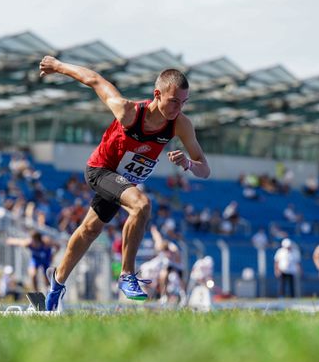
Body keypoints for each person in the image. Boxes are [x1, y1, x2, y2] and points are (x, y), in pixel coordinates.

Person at [39, 56, 210, 311]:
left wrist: (187, 163)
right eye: (173, 101)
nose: (178, 109)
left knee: (89, 230)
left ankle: (56, 283)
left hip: (123, 180)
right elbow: (95, 80)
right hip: (100, 170)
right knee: (141, 204)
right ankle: (127, 274)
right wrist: (57, 66)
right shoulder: (128, 111)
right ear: (157, 95)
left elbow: (204, 169)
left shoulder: (181, 125)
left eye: (183, 103)